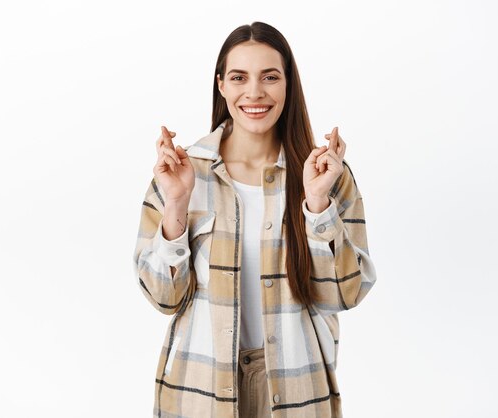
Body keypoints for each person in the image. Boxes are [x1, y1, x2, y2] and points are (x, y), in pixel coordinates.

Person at [132, 21, 377, 418]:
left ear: (288, 85)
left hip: (297, 388)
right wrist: (176, 206)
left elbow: (344, 295)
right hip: (201, 388)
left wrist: (316, 204)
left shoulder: (326, 175)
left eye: (270, 77)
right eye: (239, 77)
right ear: (221, 86)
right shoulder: (181, 172)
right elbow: (162, 297)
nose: (255, 92)